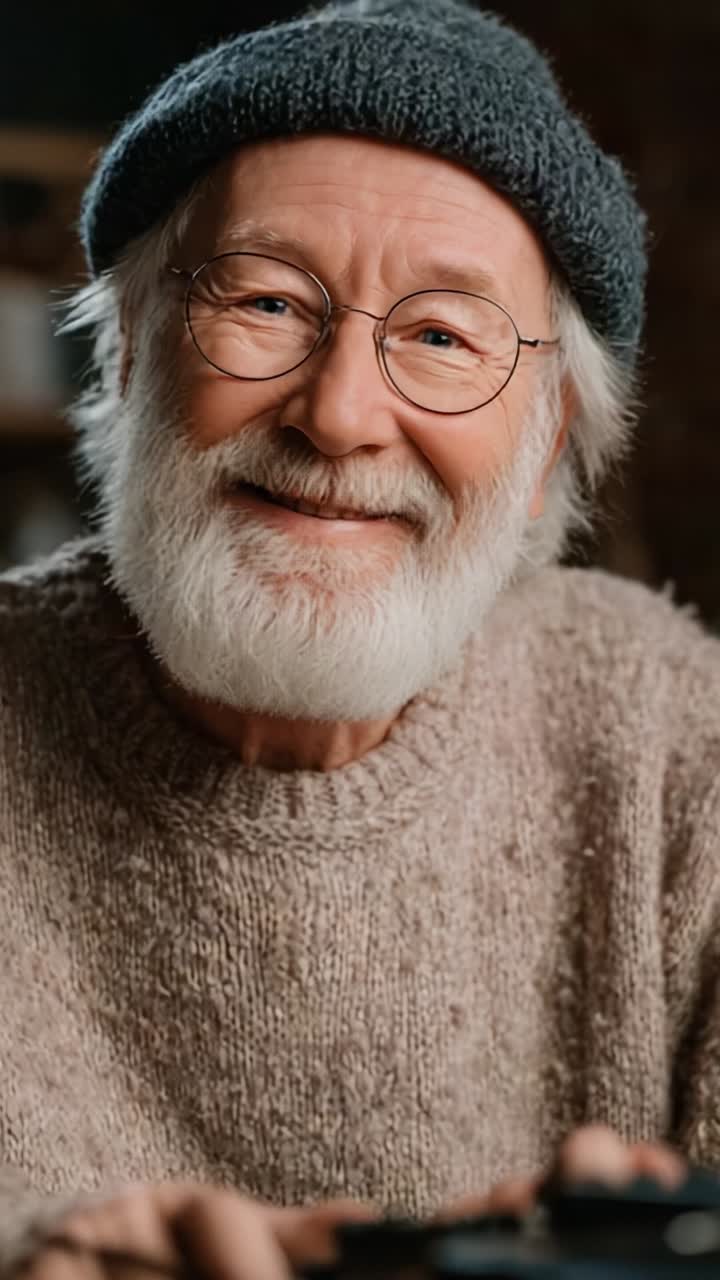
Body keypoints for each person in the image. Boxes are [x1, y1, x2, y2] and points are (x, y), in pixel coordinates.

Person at [1, 0, 718, 1276]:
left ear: (550, 442)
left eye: (443, 337)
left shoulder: (682, 742)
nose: (338, 415)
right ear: (123, 353)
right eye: (267, 302)